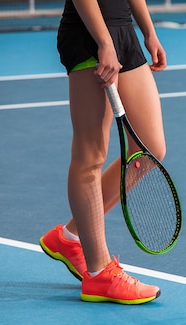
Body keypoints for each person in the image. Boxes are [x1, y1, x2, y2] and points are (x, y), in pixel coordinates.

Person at [39, 0, 167, 305]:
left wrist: (148, 31)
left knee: (149, 149)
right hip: (90, 35)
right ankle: (98, 274)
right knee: (90, 155)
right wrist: (104, 42)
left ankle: (69, 237)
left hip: (123, 31)